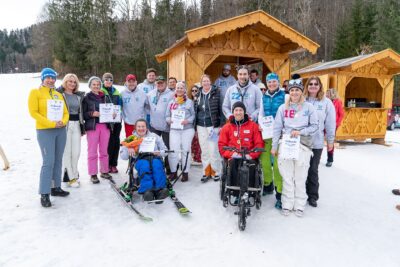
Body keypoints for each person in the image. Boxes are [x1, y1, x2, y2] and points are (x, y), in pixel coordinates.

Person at [271, 79, 318, 217]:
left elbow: (315, 126)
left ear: (301, 91)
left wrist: (301, 132)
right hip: (286, 144)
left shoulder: (308, 107)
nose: (294, 92)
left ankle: (299, 204)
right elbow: (277, 127)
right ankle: (287, 203)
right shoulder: (282, 108)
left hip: (303, 145)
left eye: (297, 90)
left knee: (300, 176)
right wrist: (274, 146)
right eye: (292, 90)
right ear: (289, 92)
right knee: (287, 176)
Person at [28, 67, 70, 208]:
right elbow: (33, 113)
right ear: (43, 78)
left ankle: (55, 187)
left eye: (53, 77)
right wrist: (51, 123)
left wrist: (63, 122)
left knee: (58, 160)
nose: (51, 80)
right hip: (45, 130)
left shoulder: (58, 94)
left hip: (60, 130)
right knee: (48, 161)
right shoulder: (36, 92)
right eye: (48, 77)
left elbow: (65, 112)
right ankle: (44, 193)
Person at [304, 76, 336, 208]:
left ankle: (312, 195)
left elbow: (330, 123)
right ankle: (299, 194)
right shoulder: (301, 99)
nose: (313, 86)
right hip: (301, 141)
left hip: (316, 142)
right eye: (310, 84)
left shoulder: (326, 102)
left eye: (315, 84)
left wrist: (330, 140)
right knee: (300, 169)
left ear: (320, 86)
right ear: (307, 86)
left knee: (312, 169)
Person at [218, 101, 264, 191]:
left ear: (244, 112)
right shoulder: (227, 127)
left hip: (249, 154)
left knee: (251, 165)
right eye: (236, 110)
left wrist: (251, 155)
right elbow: (221, 145)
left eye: (240, 110)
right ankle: (235, 192)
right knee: (233, 164)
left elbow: (259, 143)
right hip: (233, 154)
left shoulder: (253, 126)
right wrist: (231, 154)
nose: (238, 112)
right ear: (233, 112)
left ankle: (250, 191)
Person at [120, 119, 169, 201]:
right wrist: (128, 148)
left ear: (147, 128)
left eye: (143, 126)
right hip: (140, 159)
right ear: (135, 128)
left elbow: (165, 151)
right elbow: (123, 157)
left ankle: (160, 189)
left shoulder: (154, 136)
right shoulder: (131, 138)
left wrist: (160, 152)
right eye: (139, 126)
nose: (141, 128)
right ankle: (147, 190)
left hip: (154, 157)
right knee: (145, 166)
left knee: (157, 165)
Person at [258, 73, 286, 209]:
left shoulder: (284, 96)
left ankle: (279, 193)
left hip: (280, 135)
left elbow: (287, 113)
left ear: (278, 82)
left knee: (278, 164)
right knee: (265, 161)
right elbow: (261, 114)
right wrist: (261, 125)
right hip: (267, 133)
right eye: (269, 82)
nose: (272, 84)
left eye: (274, 82)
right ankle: (268, 184)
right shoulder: (264, 96)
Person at [82, 76, 113, 184]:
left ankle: (104, 171)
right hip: (93, 127)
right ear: (90, 85)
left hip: (105, 126)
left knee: (104, 150)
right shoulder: (86, 98)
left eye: (98, 84)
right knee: (92, 151)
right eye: (94, 84)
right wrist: (91, 113)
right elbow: (83, 114)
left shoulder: (105, 97)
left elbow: (111, 109)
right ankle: (93, 173)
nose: (96, 86)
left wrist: (113, 113)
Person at [57, 73, 85, 188]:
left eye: (74, 82)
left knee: (76, 152)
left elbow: (81, 112)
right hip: (65, 125)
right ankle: (71, 177)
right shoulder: (59, 94)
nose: (72, 84)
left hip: (77, 125)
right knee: (67, 152)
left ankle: (73, 172)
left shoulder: (78, 96)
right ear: (65, 82)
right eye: (70, 81)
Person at [195, 74, 223, 182]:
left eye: (207, 81)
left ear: (210, 82)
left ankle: (216, 171)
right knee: (204, 149)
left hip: (213, 126)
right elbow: (196, 109)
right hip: (201, 125)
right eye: (203, 81)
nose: (206, 83)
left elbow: (220, 108)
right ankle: (206, 171)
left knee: (213, 148)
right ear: (201, 83)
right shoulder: (198, 94)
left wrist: (221, 124)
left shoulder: (216, 93)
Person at [166, 81, 195, 182]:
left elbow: (193, 115)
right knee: (173, 151)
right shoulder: (171, 102)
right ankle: (173, 172)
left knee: (186, 150)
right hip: (174, 129)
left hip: (187, 129)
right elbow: (167, 115)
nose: (179, 89)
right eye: (177, 88)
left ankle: (185, 172)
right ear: (175, 89)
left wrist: (188, 121)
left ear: (185, 90)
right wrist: (169, 120)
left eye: (181, 88)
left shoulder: (189, 102)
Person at [146, 75, 174, 174]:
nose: (160, 84)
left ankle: (169, 168)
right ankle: (155, 167)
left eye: (162, 83)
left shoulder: (171, 94)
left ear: (165, 83)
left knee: (167, 148)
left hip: (167, 126)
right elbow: (146, 107)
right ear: (155, 83)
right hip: (154, 126)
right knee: (154, 147)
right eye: (158, 83)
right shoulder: (150, 94)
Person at [101, 73, 122, 174]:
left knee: (116, 142)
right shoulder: (100, 91)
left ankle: (114, 164)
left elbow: (120, 106)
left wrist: (119, 113)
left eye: (110, 80)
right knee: (108, 143)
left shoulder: (117, 92)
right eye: (106, 79)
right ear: (103, 81)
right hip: (106, 121)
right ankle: (107, 164)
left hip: (116, 120)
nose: (108, 81)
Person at [325, 88, 344, 167]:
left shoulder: (338, 102)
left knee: (330, 142)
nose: (326, 95)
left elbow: (341, 114)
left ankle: (330, 159)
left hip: (333, 125)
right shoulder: (324, 102)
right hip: (324, 124)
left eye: (328, 94)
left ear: (333, 94)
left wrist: (337, 124)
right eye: (326, 93)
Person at [190, 84, 202, 164]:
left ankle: (199, 158)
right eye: (193, 91)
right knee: (193, 142)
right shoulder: (189, 101)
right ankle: (194, 157)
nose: (194, 92)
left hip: (198, 123)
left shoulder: (200, 101)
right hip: (190, 124)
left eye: (196, 90)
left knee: (198, 142)